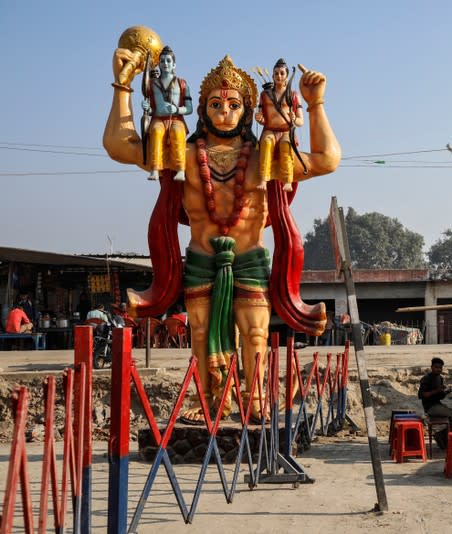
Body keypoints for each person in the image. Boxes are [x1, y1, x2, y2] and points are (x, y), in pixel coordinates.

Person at [105, 43, 340, 424]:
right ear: (201, 109)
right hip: (202, 258)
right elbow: (119, 146)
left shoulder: (268, 153)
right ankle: (208, 400)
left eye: (233, 105)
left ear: (250, 110)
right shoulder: (183, 151)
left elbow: (327, 160)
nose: (225, 112)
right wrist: (122, 87)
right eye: (216, 105)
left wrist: (315, 105)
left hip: (248, 258)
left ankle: (257, 399)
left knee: (255, 332)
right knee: (199, 332)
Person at [142, 46, 193, 181]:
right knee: (156, 131)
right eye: (162, 61)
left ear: (174, 64)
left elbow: (189, 108)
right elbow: (153, 108)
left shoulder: (182, 84)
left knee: (177, 132)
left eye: (168, 61)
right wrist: (147, 108)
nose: (165, 64)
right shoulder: (152, 84)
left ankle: (180, 169)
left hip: (176, 119)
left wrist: (177, 110)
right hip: (158, 118)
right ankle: (155, 169)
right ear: (158, 64)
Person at [255, 58, 304, 191]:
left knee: (286, 145)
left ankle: (287, 180)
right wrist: (259, 118)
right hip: (270, 129)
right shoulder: (265, 95)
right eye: (276, 73)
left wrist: (294, 119)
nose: (279, 76)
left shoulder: (293, 95)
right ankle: (263, 179)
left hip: (286, 131)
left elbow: (301, 121)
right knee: (266, 142)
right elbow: (262, 117)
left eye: (282, 73)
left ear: (287, 76)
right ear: (272, 76)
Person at [418, 357, 452, 449]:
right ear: (432, 367)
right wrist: (437, 390)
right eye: (436, 367)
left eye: (440, 368)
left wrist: (445, 392)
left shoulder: (440, 378)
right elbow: (422, 395)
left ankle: (441, 435)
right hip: (431, 407)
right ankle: (442, 437)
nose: (438, 369)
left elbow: (439, 396)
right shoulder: (427, 379)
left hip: (438, 404)